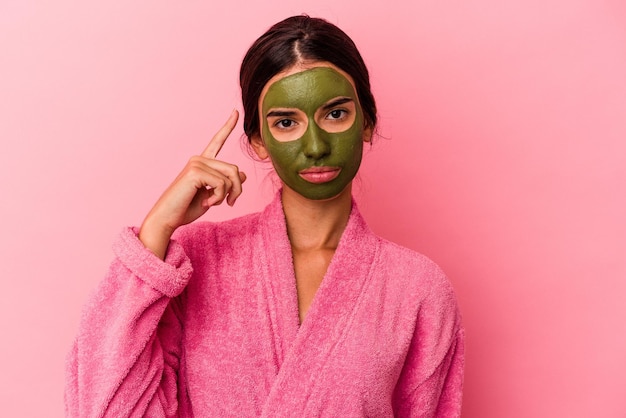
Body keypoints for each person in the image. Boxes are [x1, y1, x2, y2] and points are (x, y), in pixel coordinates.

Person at [65, 15, 464, 417]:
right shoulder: (193, 261)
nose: (315, 146)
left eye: (336, 114)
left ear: (366, 121)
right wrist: (156, 230)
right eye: (287, 122)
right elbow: (104, 408)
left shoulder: (418, 289)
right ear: (258, 141)